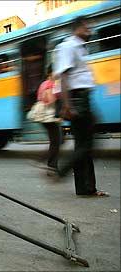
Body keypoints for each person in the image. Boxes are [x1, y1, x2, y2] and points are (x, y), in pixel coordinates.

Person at [53, 16, 109, 197]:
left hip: (81, 97)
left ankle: (85, 188)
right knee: (88, 143)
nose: (90, 30)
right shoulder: (69, 46)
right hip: (78, 99)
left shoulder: (80, 48)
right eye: (86, 27)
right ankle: (62, 171)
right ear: (77, 28)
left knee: (82, 145)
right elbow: (64, 76)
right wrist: (67, 105)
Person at [33, 64, 63, 173]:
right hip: (49, 115)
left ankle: (48, 163)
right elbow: (50, 100)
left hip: (45, 116)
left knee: (56, 140)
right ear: (50, 73)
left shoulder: (43, 84)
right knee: (56, 141)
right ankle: (51, 166)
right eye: (56, 72)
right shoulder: (50, 84)